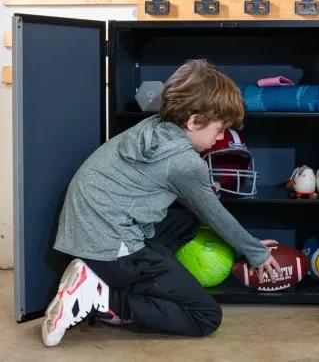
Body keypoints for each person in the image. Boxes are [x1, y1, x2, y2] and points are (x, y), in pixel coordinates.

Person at [41, 59, 282, 347]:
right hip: (109, 246)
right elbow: (216, 214)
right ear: (193, 121)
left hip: (85, 232)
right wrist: (256, 253)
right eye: (219, 130)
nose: (220, 138)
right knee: (205, 316)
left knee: (186, 220)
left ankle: (110, 277)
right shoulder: (184, 163)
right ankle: (101, 296)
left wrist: (243, 244)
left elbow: (183, 198)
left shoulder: (153, 127)